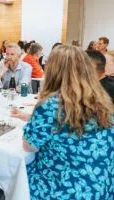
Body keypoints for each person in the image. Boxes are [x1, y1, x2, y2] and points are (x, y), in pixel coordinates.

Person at [12, 45, 114, 199]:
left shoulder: (51, 105)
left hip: (65, 188)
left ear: (54, 70)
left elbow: (29, 146)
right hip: (101, 185)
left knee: (12, 173)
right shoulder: (101, 99)